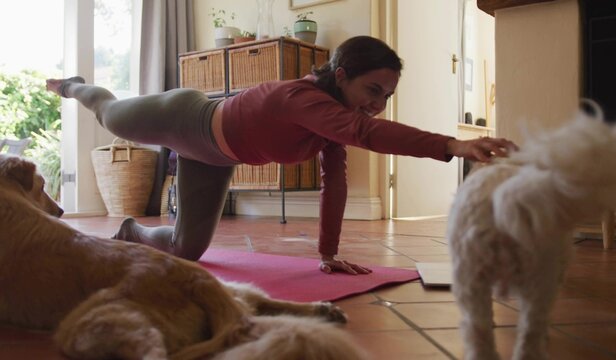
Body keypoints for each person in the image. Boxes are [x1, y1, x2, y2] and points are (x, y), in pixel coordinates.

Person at [47, 36, 517, 275]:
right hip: (182, 117)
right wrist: (451, 145)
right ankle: (73, 85)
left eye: (386, 96)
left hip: (212, 158)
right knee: (108, 114)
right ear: (342, 73)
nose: (377, 103)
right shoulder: (302, 98)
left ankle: (132, 230)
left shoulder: (330, 123)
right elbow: (366, 132)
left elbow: (337, 182)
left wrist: (328, 252)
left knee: (186, 251)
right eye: (372, 89)